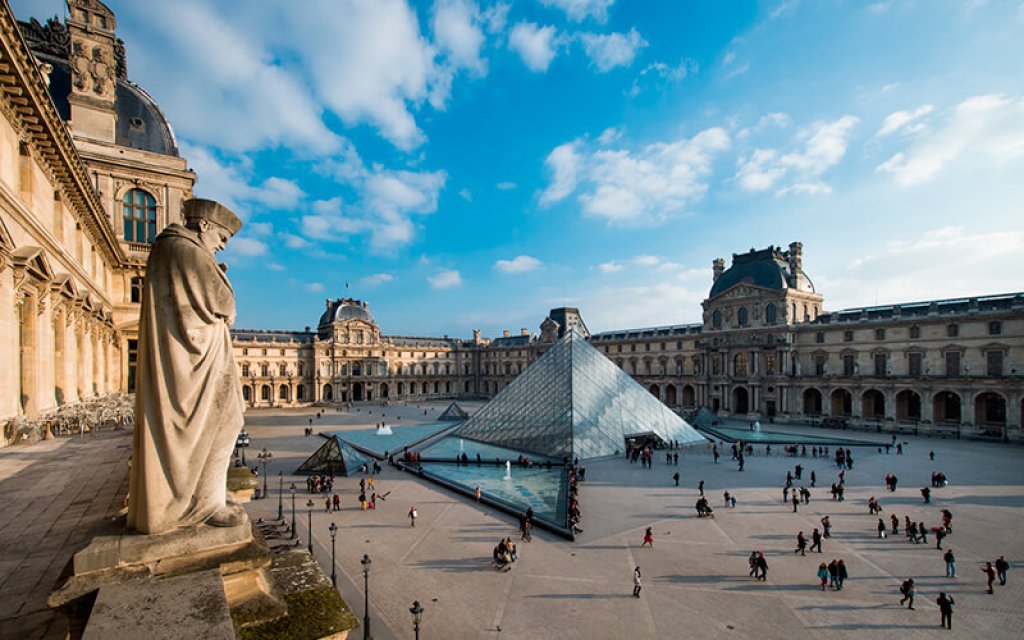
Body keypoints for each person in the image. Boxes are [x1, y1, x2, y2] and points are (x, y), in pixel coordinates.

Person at [127, 198, 247, 535]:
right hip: (194, 362)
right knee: (224, 421)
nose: (222, 246)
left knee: (223, 422)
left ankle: (202, 497)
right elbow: (225, 303)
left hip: (194, 357)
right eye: (222, 238)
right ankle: (204, 503)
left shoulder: (172, 249)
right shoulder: (187, 251)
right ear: (204, 225)